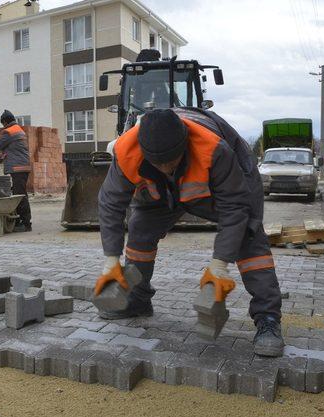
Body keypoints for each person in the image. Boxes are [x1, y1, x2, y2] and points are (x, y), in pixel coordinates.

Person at [97, 108, 284, 357]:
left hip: (216, 188)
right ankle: (138, 300)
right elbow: (110, 203)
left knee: (248, 236)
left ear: (184, 143)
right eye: (158, 163)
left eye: (170, 161)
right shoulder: (126, 150)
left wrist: (220, 262)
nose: (165, 168)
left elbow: (234, 209)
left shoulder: (215, 149)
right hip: (162, 195)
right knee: (141, 228)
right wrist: (111, 257)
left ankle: (268, 319)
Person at [0, 110, 32, 232]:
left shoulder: (9, 131)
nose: (3, 126)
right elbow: (10, 151)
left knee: (20, 195)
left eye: (3, 123)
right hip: (22, 167)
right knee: (17, 193)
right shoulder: (18, 129)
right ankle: (20, 220)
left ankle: (26, 224)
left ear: (5, 121)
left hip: (18, 168)